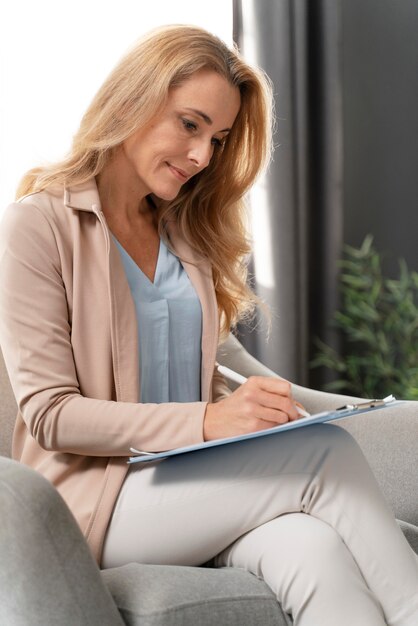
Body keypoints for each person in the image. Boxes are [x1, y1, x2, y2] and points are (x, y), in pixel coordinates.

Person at [0, 24, 417, 626]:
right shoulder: (38, 227)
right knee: (324, 455)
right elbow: (49, 413)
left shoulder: (183, 233)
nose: (202, 156)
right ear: (132, 101)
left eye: (217, 139)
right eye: (189, 124)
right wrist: (210, 419)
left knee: (313, 547)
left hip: (194, 481)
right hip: (99, 500)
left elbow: (171, 369)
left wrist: (245, 404)